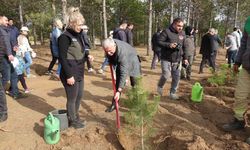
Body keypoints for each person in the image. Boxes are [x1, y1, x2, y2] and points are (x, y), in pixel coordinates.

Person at [58, 7, 94, 129]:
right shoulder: (64, 37)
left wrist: (88, 56)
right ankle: (72, 120)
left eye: (82, 24)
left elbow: (81, 51)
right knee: (72, 98)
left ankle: (75, 116)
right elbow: (62, 58)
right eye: (79, 24)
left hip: (79, 71)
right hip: (70, 73)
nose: (81, 26)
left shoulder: (79, 35)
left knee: (79, 96)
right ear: (72, 23)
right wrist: (69, 76)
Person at [222, 17, 250, 144]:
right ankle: (239, 120)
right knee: (240, 96)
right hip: (247, 67)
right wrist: (237, 61)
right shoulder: (249, 21)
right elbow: (244, 42)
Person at [102, 38, 141, 112]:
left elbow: (124, 73)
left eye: (110, 51)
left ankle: (137, 105)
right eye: (107, 51)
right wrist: (109, 57)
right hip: (121, 62)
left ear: (114, 46)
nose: (109, 53)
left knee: (135, 84)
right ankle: (114, 104)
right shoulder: (110, 43)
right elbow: (109, 54)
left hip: (133, 62)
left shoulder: (122, 53)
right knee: (118, 83)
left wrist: (120, 89)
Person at [156, 18, 188, 100]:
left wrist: (185, 58)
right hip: (166, 58)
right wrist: (169, 45)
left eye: (182, 26)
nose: (180, 28)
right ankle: (160, 86)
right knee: (166, 74)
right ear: (174, 24)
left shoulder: (183, 34)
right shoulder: (166, 31)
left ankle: (172, 93)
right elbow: (159, 42)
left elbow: (185, 47)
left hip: (177, 60)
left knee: (176, 77)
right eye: (178, 26)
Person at [0, 15, 14, 122]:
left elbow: (6, 42)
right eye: (5, 20)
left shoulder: (4, 30)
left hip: (4, 58)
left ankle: (3, 112)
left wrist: (10, 52)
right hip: (3, 58)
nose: (7, 22)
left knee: (6, 79)